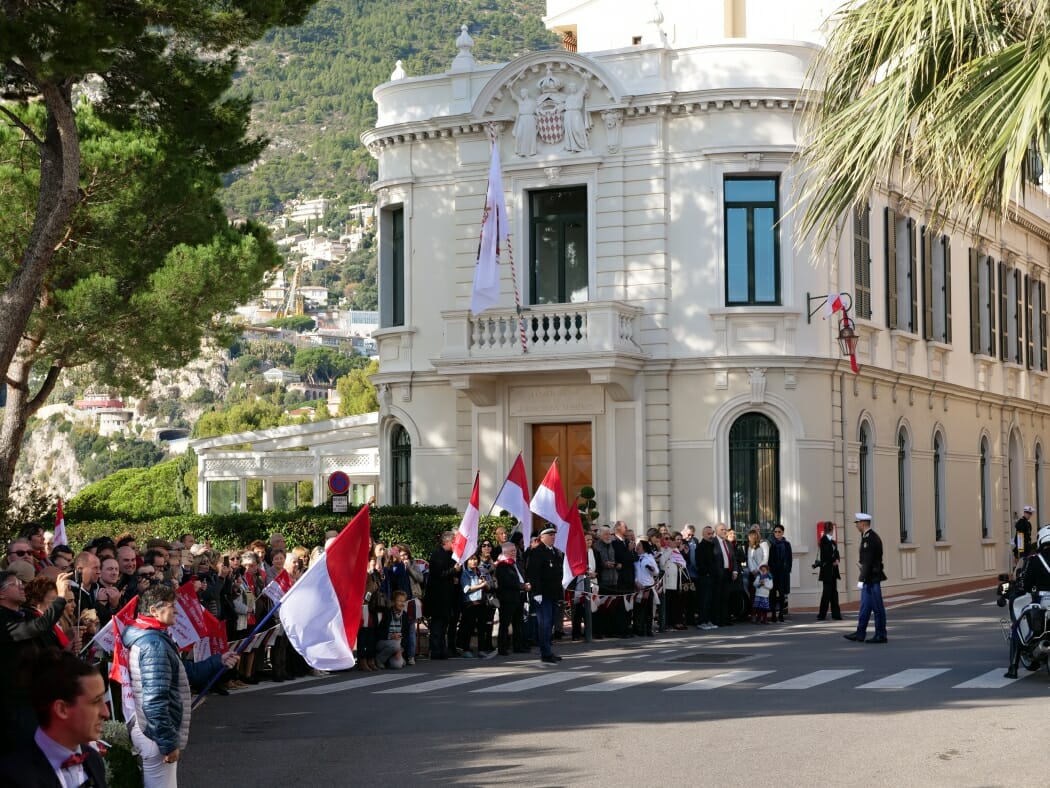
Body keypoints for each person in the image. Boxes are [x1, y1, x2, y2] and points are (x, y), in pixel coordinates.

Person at [123, 583, 239, 788]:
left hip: (152, 732)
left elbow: (183, 672)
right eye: (171, 605)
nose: (176, 610)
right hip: (154, 735)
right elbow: (155, 699)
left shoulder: (153, 638)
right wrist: (167, 742)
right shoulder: (153, 644)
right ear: (153, 611)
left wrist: (217, 661)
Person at [0, 648, 109, 787]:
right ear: (61, 709)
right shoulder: (15, 776)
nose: (106, 713)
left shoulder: (93, 759)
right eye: (95, 701)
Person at [0, 568, 74, 753]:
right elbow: (38, 627)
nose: (21, 586)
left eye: (20, 582)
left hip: (34, 694)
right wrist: (60, 597)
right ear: (1, 593)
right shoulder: (3, 619)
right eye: (15, 584)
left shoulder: (23, 613)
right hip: (14, 703)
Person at [1005, 524, 1050, 678]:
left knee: (1016, 626)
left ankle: (1012, 668)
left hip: (1042, 601)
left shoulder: (1035, 560)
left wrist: (1015, 589)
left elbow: (1024, 584)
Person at [844, 513, 888, 644]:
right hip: (869, 578)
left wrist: (861, 579)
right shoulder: (867, 537)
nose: (856, 525)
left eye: (857, 523)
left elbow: (868, 562)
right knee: (865, 607)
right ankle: (860, 632)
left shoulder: (870, 539)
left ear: (863, 524)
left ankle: (881, 634)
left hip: (872, 578)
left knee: (877, 608)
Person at [526, 526, 564, 663]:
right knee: (545, 624)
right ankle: (545, 653)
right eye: (550, 535)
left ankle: (548, 650)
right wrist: (536, 592)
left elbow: (557, 574)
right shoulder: (537, 552)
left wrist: (560, 594)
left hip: (553, 594)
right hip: (542, 595)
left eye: (554, 535)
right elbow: (533, 573)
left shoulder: (554, 552)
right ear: (542, 537)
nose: (553, 537)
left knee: (551, 623)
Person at [424, 532, 459, 660]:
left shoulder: (450, 555)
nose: (455, 545)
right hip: (437, 597)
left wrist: (455, 574)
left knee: (444, 624)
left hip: (447, 596)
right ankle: (435, 650)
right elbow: (440, 573)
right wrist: (453, 570)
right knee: (437, 625)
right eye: (453, 542)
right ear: (446, 542)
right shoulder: (437, 555)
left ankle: (442, 649)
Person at [494, 543, 528, 655]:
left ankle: (518, 646)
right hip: (507, 598)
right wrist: (522, 586)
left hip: (519, 597)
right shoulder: (502, 565)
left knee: (518, 623)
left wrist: (525, 585)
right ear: (504, 552)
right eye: (511, 551)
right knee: (505, 623)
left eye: (515, 550)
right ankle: (502, 647)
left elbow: (522, 576)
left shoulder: (516, 563)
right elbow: (507, 581)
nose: (514, 552)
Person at [816, 521, 843, 620]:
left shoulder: (832, 541)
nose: (830, 530)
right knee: (827, 593)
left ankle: (836, 614)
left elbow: (836, 552)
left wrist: (837, 559)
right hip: (827, 571)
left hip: (833, 571)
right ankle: (822, 614)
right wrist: (833, 561)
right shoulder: (824, 540)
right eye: (829, 528)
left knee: (834, 593)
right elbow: (826, 555)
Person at [768, 525, 793, 623]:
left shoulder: (787, 544)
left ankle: (781, 614)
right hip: (774, 572)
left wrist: (787, 569)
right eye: (775, 532)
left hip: (783, 572)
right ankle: (773, 614)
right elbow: (769, 559)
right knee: (773, 593)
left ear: (782, 533)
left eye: (779, 531)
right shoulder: (771, 544)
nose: (777, 533)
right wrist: (771, 569)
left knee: (782, 594)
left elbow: (790, 558)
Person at [512, 88, 538, 157]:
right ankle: (520, 150)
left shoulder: (532, 102)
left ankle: (530, 151)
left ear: (526, 93)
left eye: (523, 92)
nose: (521, 94)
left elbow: (536, 110)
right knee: (519, 135)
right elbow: (514, 97)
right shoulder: (520, 101)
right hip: (522, 118)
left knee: (530, 135)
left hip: (530, 118)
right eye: (521, 93)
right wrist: (510, 88)